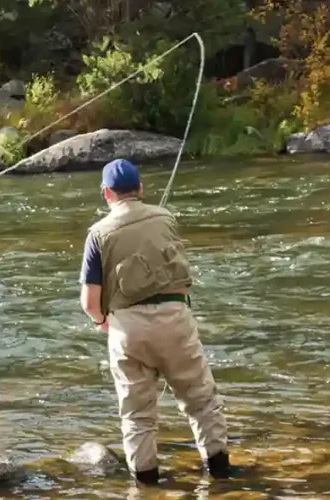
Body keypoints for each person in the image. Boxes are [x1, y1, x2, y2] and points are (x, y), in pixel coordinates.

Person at [78, 158, 231, 485]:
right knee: (201, 401)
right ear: (141, 188)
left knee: (137, 416)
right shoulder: (167, 218)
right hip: (175, 319)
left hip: (127, 330)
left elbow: (90, 302)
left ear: (107, 193)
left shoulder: (97, 234)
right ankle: (221, 476)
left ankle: (146, 486)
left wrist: (102, 320)